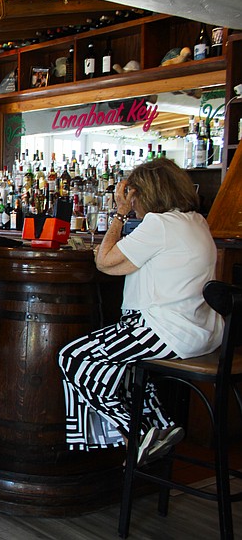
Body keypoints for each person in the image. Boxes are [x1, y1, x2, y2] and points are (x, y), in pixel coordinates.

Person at [58, 157, 224, 465]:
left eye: (133, 195)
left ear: (144, 193)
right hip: (201, 331)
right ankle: (161, 426)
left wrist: (119, 215)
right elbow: (127, 263)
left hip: (166, 329)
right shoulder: (195, 221)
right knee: (126, 370)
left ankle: (137, 432)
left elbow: (104, 262)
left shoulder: (159, 225)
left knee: (73, 357)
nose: (132, 202)